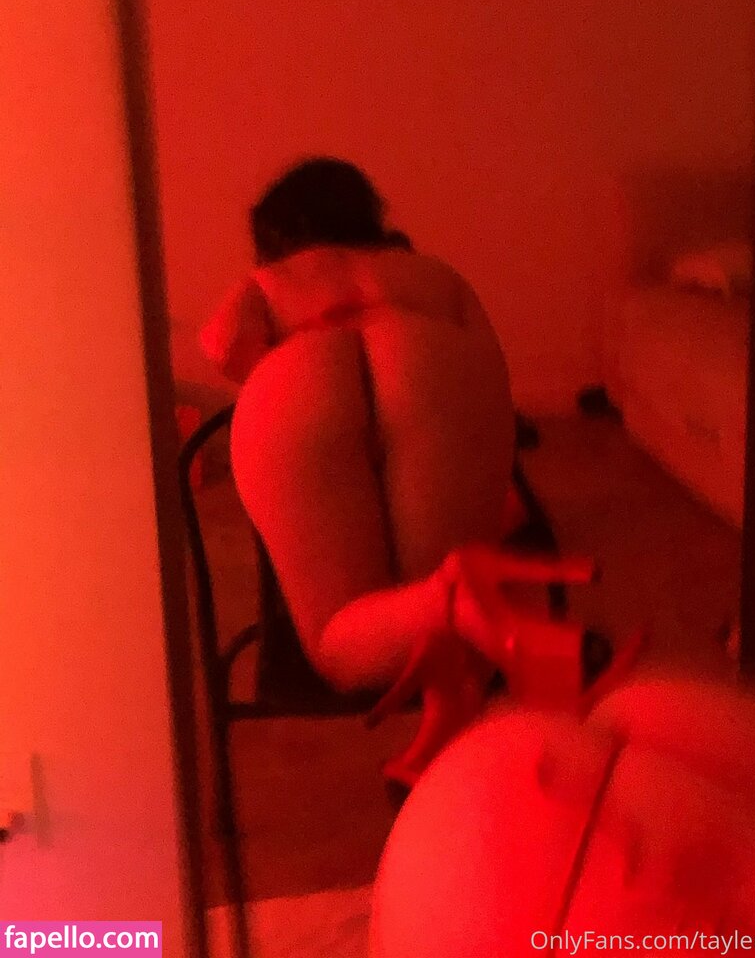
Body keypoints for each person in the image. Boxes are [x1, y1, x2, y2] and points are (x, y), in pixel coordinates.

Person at [201, 158, 594, 781]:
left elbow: (223, 346)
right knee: (427, 579)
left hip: (302, 376)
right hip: (432, 362)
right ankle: (448, 706)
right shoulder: (433, 275)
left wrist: (288, 347)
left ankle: (453, 598)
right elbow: (490, 369)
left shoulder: (269, 282)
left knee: (339, 641)